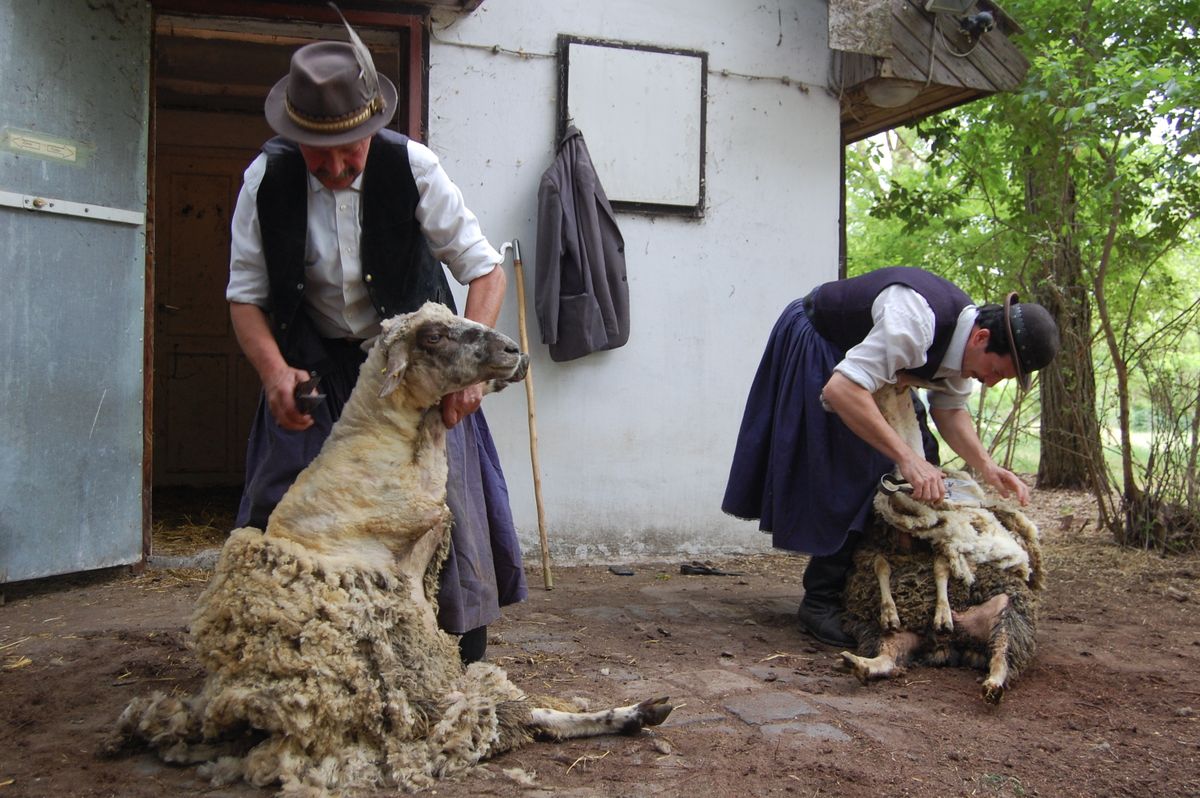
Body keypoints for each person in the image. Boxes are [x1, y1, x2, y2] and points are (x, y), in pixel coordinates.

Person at [225, 28, 526, 664]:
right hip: (316, 364)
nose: (334, 169)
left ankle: (460, 657)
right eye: (317, 154)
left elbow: (484, 270)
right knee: (283, 501)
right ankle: (277, 651)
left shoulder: (413, 167)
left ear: (371, 126)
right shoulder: (267, 177)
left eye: (348, 152)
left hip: (413, 374)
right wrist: (275, 371)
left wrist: (465, 380)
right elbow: (245, 297)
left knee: (445, 506)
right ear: (296, 135)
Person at [721, 266, 1059, 648]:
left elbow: (949, 410)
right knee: (867, 470)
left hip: (866, 369)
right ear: (982, 338)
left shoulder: (966, 341)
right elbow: (841, 390)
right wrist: (905, 458)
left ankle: (875, 583)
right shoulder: (914, 322)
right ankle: (820, 600)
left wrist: (986, 465)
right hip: (822, 344)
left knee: (924, 457)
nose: (992, 382)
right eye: (996, 371)